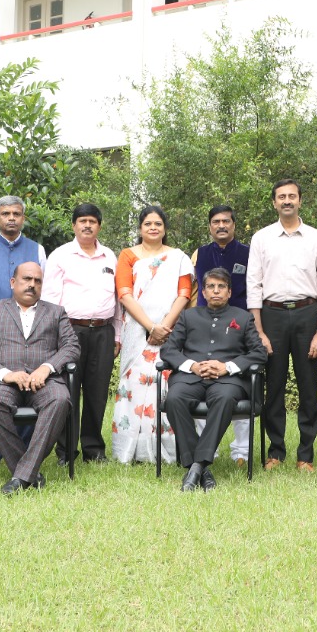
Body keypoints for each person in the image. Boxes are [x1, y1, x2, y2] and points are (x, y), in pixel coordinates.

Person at [247, 178, 317, 471]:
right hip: (271, 316)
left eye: (292, 196)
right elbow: (253, 286)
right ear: (274, 202)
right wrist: (259, 331)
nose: (287, 200)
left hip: (307, 314)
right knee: (274, 387)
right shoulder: (261, 238)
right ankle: (276, 452)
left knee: (309, 387)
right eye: (281, 196)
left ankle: (305, 455)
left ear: (300, 201)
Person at [0, 262, 80, 495]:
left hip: (44, 382)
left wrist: (46, 368)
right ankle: (30, 473)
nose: (32, 285)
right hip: (4, 382)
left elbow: (71, 347)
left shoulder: (56, 312)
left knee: (60, 399)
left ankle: (20, 476)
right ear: (13, 282)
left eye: (37, 281)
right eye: (27, 279)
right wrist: (5, 374)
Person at [161, 267, 266, 491]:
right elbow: (168, 350)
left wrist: (227, 367)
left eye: (221, 287)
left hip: (227, 382)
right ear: (204, 292)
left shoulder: (243, 317)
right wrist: (193, 366)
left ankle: (196, 467)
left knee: (224, 398)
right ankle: (201, 468)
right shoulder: (188, 316)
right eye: (211, 287)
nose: (216, 291)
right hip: (190, 378)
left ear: (229, 292)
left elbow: (259, 353)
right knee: (174, 399)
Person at [0, 195, 47, 465]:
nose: (11, 218)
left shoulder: (37, 250)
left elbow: (43, 289)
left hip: (29, 327)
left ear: (23, 218)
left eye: (16, 214)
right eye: (5, 214)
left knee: (26, 384)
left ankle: (22, 449)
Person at [40, 203, 120, 464]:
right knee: (68, 391)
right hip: (69, 331)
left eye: (92, 221)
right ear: (74, 225)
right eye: (82, 221)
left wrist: (117, 335)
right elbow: (49, 299)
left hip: (104, 331)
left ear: (99, 226)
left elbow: (117, 300)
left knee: (98, 393)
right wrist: (53, 336)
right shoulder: (61, 256)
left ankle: (93, 449)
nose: (87, 225)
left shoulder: (109, 256)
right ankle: (66, 451)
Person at [112, 206, 194, 463]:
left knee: (167, 382)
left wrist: (164, 327)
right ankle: (133, 450)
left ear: (165, 228)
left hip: (171, 330)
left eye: (158, 223)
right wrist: (150, 326)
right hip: (137, 331)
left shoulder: (178, 257)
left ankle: (170, 448)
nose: (153, 228)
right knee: (136, 384)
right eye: (148, 223)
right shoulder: (128, 255)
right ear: (140, 228)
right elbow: (124, 294)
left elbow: (184, 294)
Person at [190, 205, 253, 465]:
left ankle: (242, 452)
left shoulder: (248, 253)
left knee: (239, 384)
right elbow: (194, 291)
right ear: (209, 226)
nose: (221, 225)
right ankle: (208, 449)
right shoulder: (200, 254)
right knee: (202, 378)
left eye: (226, 221)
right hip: (204, 326)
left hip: (239, 326)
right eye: (216, 221)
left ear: (234, 225)